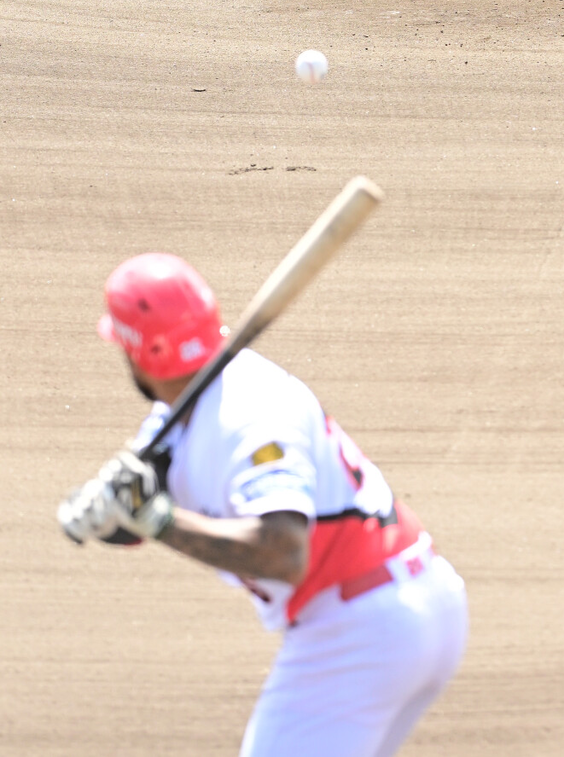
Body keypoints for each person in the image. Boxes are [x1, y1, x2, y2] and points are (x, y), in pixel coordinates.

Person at [58, 252, 468, 757]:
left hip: (359, 628)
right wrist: (107, 513)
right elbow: (143, 505)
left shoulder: (249, 413)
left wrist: (157, 520)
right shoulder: (181, 411)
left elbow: (283, 553)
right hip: (401, 609)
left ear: (136, 352)